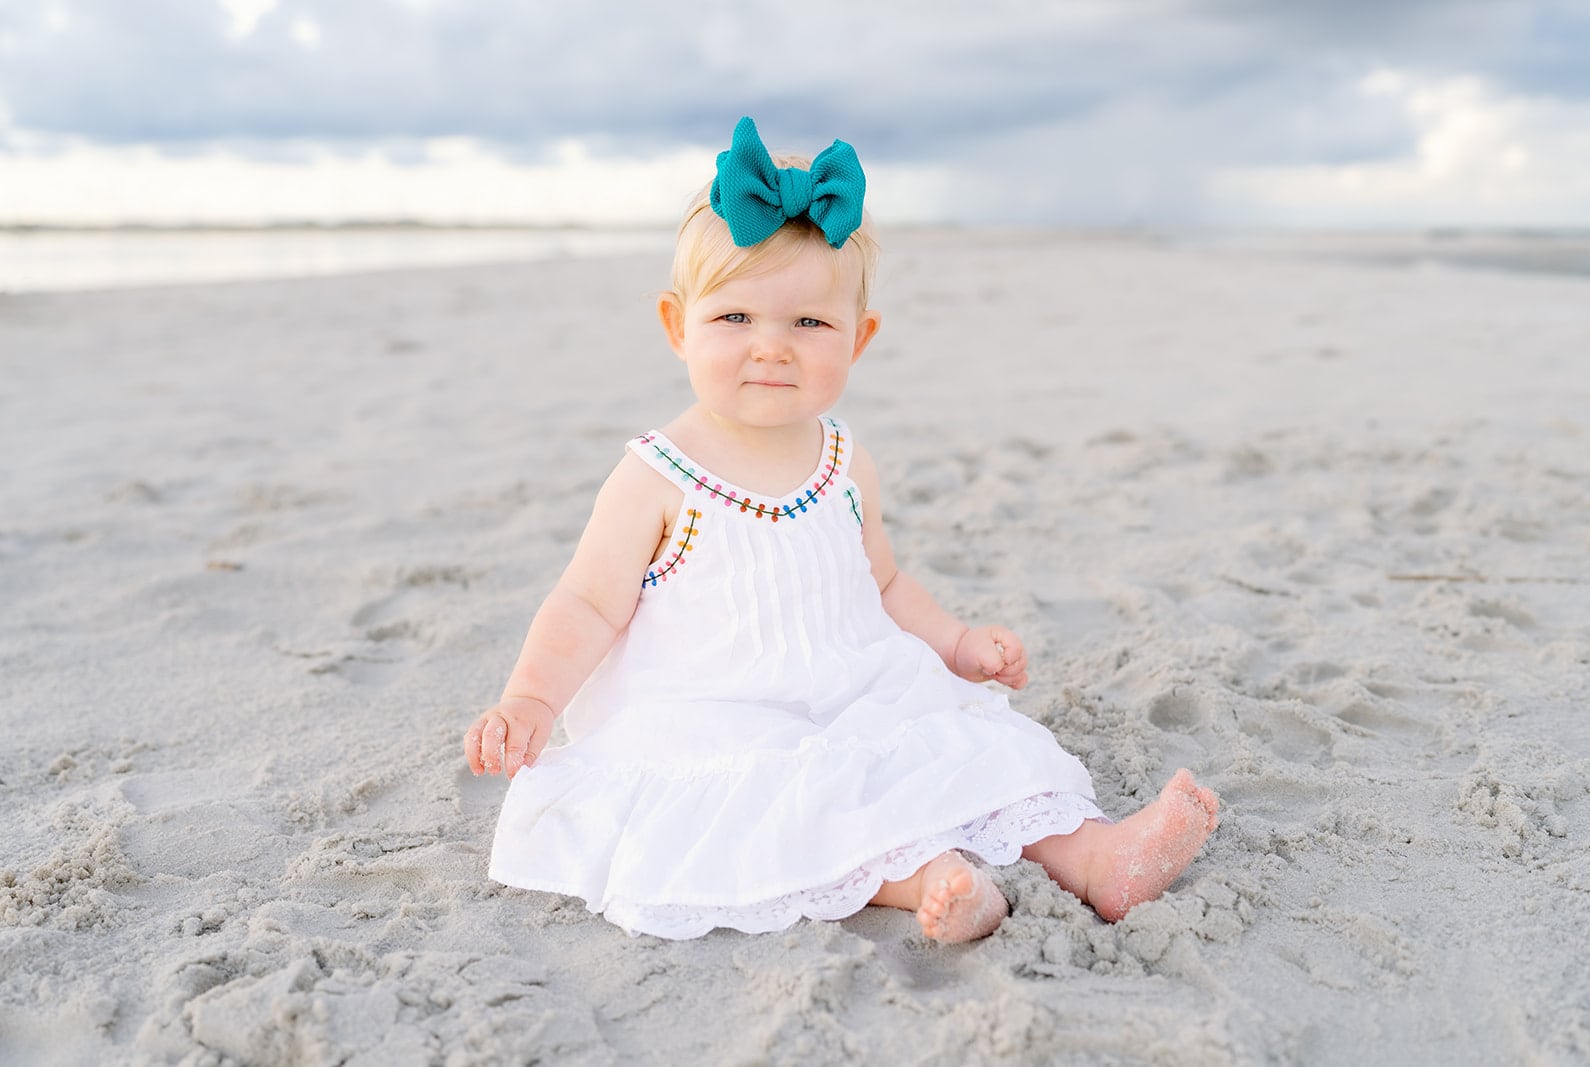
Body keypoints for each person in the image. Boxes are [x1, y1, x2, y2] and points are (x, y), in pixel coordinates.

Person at [464, 116, 1218, 942]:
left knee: (969, 743)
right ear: (678, 325)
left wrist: (958, 644)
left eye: (809, 325)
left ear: (858, 339)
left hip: (853, 681)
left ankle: (1097, 857)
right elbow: (585, 603)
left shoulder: (844, 459)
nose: (772, 348)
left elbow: (884, 583)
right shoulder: (657, 475)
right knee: (796, 803)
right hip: (720, 705)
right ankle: (936, 883)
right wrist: (532, 697)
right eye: (735, 319)